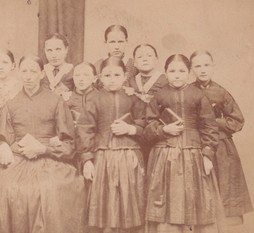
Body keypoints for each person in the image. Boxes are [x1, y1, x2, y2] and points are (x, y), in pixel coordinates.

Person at [0, 55, 85, 233]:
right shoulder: (11, 104)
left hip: (50, 158)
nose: (28, 76)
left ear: (42, 73)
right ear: (19, 73)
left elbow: (69, 144)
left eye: (33, 71)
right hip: (19, 158)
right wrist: (6, 145)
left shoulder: (56, 101)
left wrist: (43, 149)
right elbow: (5, 138)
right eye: (24, 71)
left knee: (49, 188)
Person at [144, 54, 225, 233]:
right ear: (166, 72)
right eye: (172, 71)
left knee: (196, 200)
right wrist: (164, 130)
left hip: (193, 155)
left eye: (182, 71)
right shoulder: (159, 96)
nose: (177, 75)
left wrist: (208, 154)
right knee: (166, 201)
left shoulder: (198, 95)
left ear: (189, 73)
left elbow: (209, 127)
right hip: (164, 155)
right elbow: (148, 125)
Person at [76, 57, 146, 233]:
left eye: (117, 75)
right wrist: (87, 160)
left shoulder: (134, 100)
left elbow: (145, 124)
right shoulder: (94, 100)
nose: (112, 79)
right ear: (100, 77)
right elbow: (85, 130)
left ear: (125, 76)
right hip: (103, 157)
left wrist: (130, 129)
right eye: (107, 75)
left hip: (129, 157)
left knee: (129, 200)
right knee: (105, 203)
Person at [190, 50, 253, 225]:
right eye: (198, 66)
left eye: (206, 65)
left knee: (224, 187)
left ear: (213, 66)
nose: (202, 70)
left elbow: (237, 121)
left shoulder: (221, 92)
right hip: (197, 144)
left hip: (222, 147)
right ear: (191, 69)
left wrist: (213, 122)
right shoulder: (188, 91)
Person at [126, 44, 168, 166]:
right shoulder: (130, 81)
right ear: (134, 62)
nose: (145, 59)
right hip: (136, 131)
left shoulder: (165, 80)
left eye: (149, 56)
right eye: (140, 57)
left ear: (156, 59)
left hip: (156, 131)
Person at [94, 25, 138, 89]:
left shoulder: (135, 65)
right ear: (105, 43)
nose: (116, 47)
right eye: (112, 42)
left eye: (120, 42)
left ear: (126, 42)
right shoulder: (98, 65)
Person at [41, 33, 74, 98]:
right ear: (45, 51)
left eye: (58, 49)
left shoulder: (73, 72)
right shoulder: (41, 72)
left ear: (66, 49)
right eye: (49, 50)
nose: (54, 55)